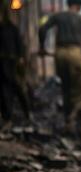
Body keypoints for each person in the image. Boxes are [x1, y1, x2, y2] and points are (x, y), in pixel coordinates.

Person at [39, 0, 81, 135]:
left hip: (60, 54)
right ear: (79, 6)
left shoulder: (58, 16)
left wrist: (42, 48)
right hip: (75, 54)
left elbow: (42, 28)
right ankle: (77, 124)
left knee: (66, 87)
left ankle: (68, 121)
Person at [0, 2, 32, 130]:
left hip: (12, 63)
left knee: (18, 89)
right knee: (4, 91)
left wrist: (21, 58)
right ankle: (7, 118)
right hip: (2, 64)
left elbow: (20, 45)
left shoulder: (12, 28)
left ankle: (27, 115)